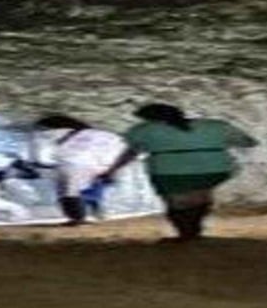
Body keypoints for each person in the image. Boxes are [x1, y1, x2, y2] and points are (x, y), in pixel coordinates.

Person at [102, 103, 257, 242]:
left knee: (177, 204)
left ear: (149, 118)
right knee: (200, 197)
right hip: (215, 169)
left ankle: (186, 234)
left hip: (169, 171)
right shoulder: (215, 125)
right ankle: (195, 230)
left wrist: (112, 171)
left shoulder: (143, 130)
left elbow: (131, 152)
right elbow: (249, 142)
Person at [16, 115, 127, 226]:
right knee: (89, 185)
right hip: (109, 161)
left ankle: (78, 218)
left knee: (69, 190)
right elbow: (124, 150)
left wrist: (35, 166)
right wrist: (113, 172)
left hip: (76, 163)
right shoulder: (102, 134)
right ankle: (94, 210)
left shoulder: (53, 134)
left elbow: (37, 156)